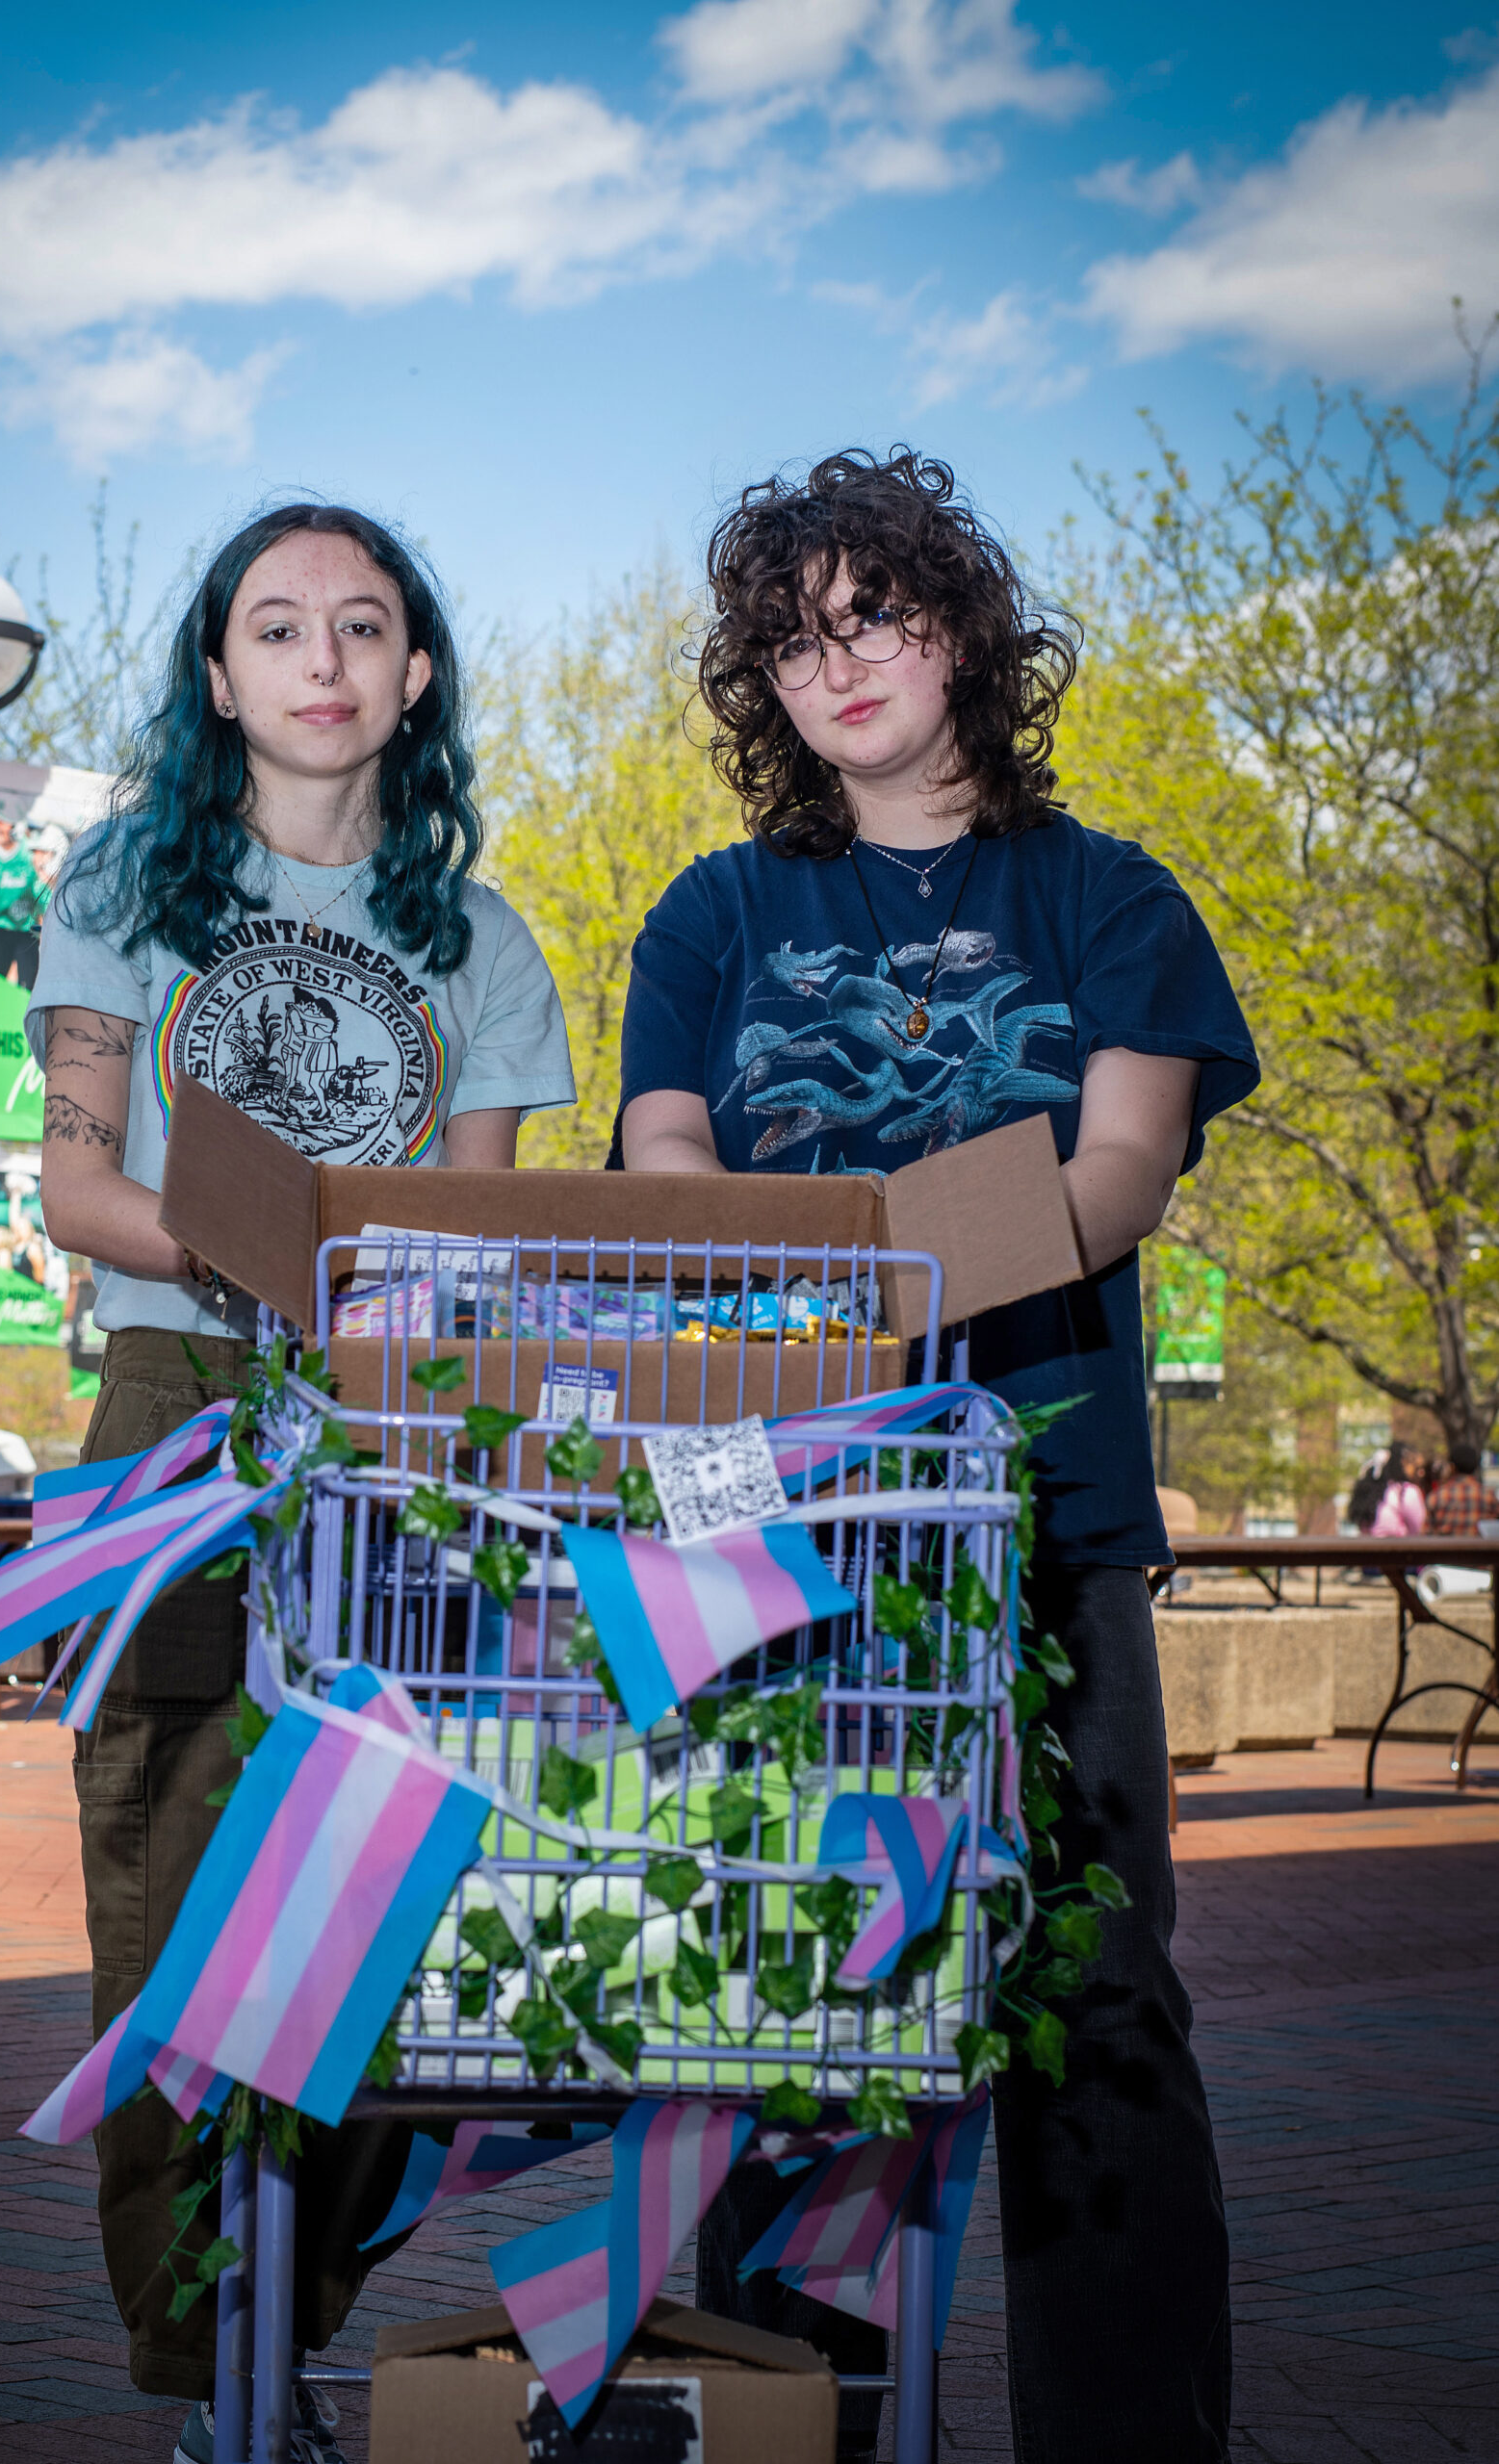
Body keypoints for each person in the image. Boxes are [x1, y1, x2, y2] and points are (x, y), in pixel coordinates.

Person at [619, 449, 1259, 2464]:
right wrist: (827, 1297)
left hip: (1040, 1516)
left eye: (874, 615)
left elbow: (1117, 1173)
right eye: (794, 639)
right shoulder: (715, 911)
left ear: (964, 636)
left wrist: (850, 1260)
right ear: (761, 687)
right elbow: (663, 1170)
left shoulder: (1105, 896)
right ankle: (783, 2429)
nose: (839, 665)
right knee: (782, 2002)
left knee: (1092, 2012)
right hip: (788, 1534)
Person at [28, 501, 575, 2464]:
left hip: (386, 1425)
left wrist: (371, 1296)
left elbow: (480, 1227)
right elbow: (78, 1179)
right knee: (171, 1922)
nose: (322, 659)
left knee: (396, 1906)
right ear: (219, 675)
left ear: (412, 674)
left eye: (364, 626)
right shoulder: (125, 882)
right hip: (174, 1399)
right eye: (277, 628)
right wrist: (254, 1245)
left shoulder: (480, 946)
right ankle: (205, 2386)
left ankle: (284, 2312)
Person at [0, 806, 45, 985]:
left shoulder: (29, 850)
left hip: (26, 931)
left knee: (28, 987)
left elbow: (43, 887)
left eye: (3, 821)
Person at [1425, 1440, 1499, 1535]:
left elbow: (1427, 1532)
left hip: (1446, 1549)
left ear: (1452, 1467)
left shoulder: (1437, 1496)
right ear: (1475, 1466)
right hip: (1479, 1549)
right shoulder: (1489, 1495)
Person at [1370, 1442, 1429, 1537]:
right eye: (1417, 1468)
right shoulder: (1407, 1491)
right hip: (1398, 1547)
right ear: (1403, 1463)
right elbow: (1419, 1528)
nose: (1422, 1473)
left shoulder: (1380, 1490)